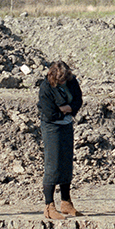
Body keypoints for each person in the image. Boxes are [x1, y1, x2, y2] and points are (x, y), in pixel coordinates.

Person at [38, 61, 83, 219]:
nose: (63, 83)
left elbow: (78, 100)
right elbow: (49, 113)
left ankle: (66, 202)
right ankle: (49, 206)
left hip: (66, 125)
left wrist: (67, 109)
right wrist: (63, 111)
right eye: (60, 81)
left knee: (66, 162)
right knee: (53, 163)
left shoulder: (72, 81)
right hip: (51, 127)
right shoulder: (45, 88)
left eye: (65, 80)